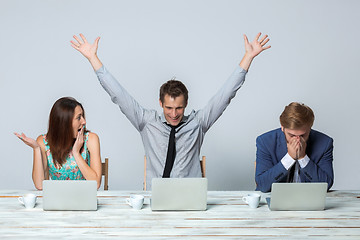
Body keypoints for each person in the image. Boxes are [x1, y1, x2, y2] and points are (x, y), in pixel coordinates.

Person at [71, 32, 270, 189]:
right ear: (160, 103)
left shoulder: (198, 123)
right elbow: (118, 95)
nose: (174, 114)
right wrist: (93, 59)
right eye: (169, 108)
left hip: (190, 197)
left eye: (179, 108)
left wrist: (248, 57)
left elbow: (225, 95)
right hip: (155, 198)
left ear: (186, 105)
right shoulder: (146, 122)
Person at [15, 97, 102, 190]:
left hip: (85, 198)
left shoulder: (91, 139)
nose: (84, 121)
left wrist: (76, 153)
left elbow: (96, 184)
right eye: (79, 117)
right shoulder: (43, 142)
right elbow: (39, 185)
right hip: (56, 201)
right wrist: (36, 148)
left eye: (82, 116)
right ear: (64, 122)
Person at [255, 102, 334, 193]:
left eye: (302, 135)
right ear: (282, 127)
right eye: (291, 135)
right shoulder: (265, 141)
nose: (297, 140)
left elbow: (326, 185)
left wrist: (302, 157)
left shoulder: (325, 143)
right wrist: (289, 157)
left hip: (308, 198)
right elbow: (262, 185)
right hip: (275, 197)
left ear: (310, 128)